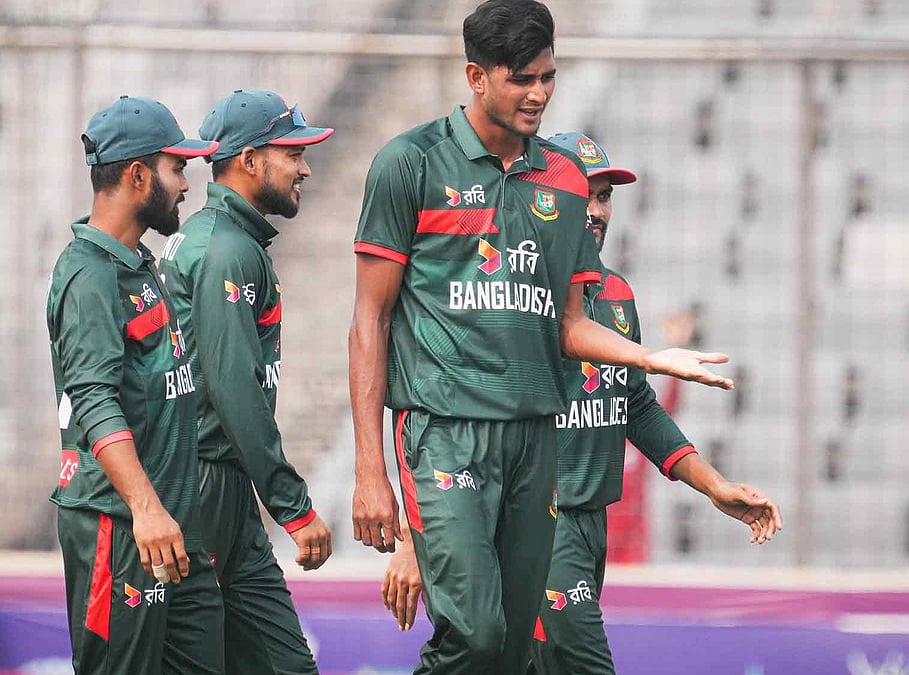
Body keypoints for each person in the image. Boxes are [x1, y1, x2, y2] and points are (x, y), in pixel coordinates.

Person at [349, 2, 733, 673]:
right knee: (476, 632)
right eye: (522, 78)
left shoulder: (562, 177)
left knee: (513, 650)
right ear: (475, 75)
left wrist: (649, 357)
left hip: (537, 439)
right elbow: (368, 320)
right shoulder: (409, 164)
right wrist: (368, 470)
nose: (539, 93)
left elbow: (570, 325)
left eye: (548, 77)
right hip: (444, 427)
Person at [538, 132, 787, 672]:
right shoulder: (522, 291)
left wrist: (713, 484)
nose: (598, 210)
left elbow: (636, 407)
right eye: (586, 194)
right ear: (546, 197)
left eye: (605, 197)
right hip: (538, 524)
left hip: (590, 526)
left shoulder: (618, 294)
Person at [157, 89, 335, 675]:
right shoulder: (224, 251)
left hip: (227, 488)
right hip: (200, 488)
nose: (306, 167)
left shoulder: (233, 243)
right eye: (294, 153)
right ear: (250, 160)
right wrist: (293, 505)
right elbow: (235, 390)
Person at [48, 95, 223, 674]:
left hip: (173, 534)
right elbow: (94, 401)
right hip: (123, 527)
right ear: (138, 174)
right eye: (178, 169)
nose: (186, 185)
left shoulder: (138, 263)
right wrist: (146, 511)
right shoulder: (89, 275)